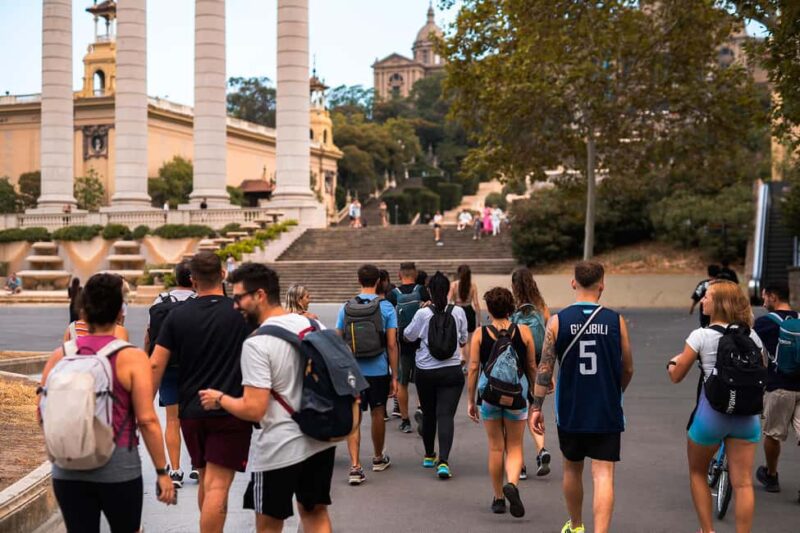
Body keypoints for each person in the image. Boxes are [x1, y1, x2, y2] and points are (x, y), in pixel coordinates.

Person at [198, 263, 337, 533]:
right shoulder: (313, 324)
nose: (235, 305)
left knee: (269, 525)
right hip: (319, 438)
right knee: (315, 514)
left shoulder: (257, 343)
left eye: (239, 298)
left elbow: (254, 409)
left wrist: (220, 399)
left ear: (260, 295)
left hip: (278, 448)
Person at [40, 273, 175, 532]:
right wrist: (161, 471)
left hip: (67, 467)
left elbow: (42, 413)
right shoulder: (132, 358)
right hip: (118, 466)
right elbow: (147, 420)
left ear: (82, 310)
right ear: (120, 312)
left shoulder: (60, 356)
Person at [150, 251, 252, 533]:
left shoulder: (176, 316)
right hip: (229, 408)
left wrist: (141, 407)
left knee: (207, 480)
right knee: (218, 486)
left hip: (191, 411)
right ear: (223, 274)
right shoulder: (240, 313)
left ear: (192, 280)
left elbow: (156, 362)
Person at [530, 261, 634, 533]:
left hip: (571, 409)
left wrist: (536, 407)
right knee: (603, 475)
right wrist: (616, 390)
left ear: (573, 283)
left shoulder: (557, 321)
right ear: (602, 284)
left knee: (572, 470)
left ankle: (576, 526)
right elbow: (628, 367)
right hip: (606, 409)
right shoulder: (615, 321)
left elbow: (545, 368)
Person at [667, 280, 765, 533]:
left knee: (698, 473)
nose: (702, 301)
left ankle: (707, 531)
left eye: (708, 297)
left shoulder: (700, 335)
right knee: (743, 483)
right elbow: (762, 369)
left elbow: (676, 376)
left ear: (719, 303)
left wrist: (672, 362)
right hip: (746, 416)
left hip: (711, 415)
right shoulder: (751, 335)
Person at [467, 287, 537, 516]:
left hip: (490, 396)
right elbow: (531, 366)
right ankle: (513, 484)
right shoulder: (524, 332)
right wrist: (537, 396)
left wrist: (471, 400)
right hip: (517, 395)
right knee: (515, 446)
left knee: (496, 447)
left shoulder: (480, 334)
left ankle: (498, 498)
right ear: (511, 308)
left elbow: (474, 368)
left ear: (489, 308)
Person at [336, 264, 398, 485]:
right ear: (379, 281)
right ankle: (378, 457)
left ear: (359, 280)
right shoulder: (387, 307)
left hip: (354, 371)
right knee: (378, 412)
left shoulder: (346, 307)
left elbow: (338, 340)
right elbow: (391, 345)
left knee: (354, 417)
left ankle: (355, 466)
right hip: (378, 370)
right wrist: (394, 376)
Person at [404, 272, 468, 479]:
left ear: (429, 290)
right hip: (451, 371)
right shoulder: (458, 312)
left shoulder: (423, 313)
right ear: (449, 290)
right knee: (445, 415)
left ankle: (429, 455)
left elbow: (408, 335)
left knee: (429, 413)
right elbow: (464, 339)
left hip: (426, 371)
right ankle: (444, 462)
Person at [144, 260, 196, 488]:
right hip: (194, 367)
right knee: (195, 417)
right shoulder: (199, 301)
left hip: (167, 367)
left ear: (175, 278)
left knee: (172, 420)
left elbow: (149, 334)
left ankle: (175, 470)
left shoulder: (161, 301)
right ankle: (197, 465)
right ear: (193, 279)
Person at [753, 283, 799, 494]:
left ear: (773, 296)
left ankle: (771, 475)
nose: (763, 302)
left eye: (764, 297)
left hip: (779, 387)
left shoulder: (765, 323)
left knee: (773, 434)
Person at [510, 267, 553, 478]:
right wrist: (549, 372)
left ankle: (521, 466)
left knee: (517, 415)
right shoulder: (542, 307)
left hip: (518, 366)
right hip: (538, 363)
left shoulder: (512, 309)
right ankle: (541, 449)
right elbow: (549, 342)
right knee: (535, 409)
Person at [387, 262, 431, 432]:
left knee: (402, 382)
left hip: (402, 345)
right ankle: (421, 409)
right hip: (422, 344)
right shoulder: (422, 291)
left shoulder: (393, 295)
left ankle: (405, 420)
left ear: (399, 275)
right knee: (422, 381)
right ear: (415, 274)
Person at [448, 264, 482, 366]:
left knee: (457, 336)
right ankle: (467, 365)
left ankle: (461, 356)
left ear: (458, 274)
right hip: (469, 311)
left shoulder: (453, 285)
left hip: (457, 310)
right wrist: (479, 320)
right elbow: (476, 304)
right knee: (467, 340)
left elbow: (449, 300)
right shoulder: (473, 286)